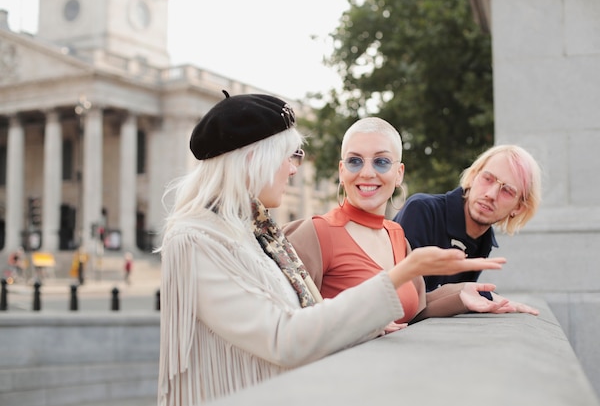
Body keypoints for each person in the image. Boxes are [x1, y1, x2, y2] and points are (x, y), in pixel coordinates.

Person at [156, 92, 505, 405]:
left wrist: (455, 295)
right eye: (289, 156)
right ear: (253, 159)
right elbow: (284, 338)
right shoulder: (196, 239)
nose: (294, 169)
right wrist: (404, 272)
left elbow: (312, 316)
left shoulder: (255, 233)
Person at [284, 117, 515, 330]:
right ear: (341, 171)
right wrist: (361, 328)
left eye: (381, 162)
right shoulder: (313, 233)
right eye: (355, 161)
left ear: (399, 174)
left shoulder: (397, 236)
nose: (366, 172)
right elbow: (288, 329)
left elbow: (413, 311)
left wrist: (462, 296)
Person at [393, 144, 542, 316]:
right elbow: (406, 305)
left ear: (519, 208)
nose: (491, 194)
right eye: (488, 179)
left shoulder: (484, 241)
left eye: (507, 191)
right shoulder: (421, 210)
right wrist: (482, 295)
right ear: (472, 176)